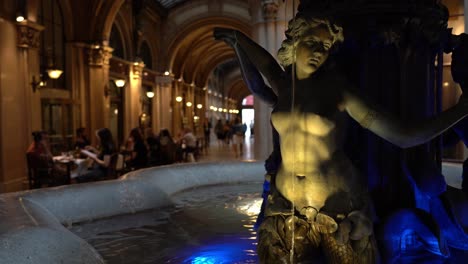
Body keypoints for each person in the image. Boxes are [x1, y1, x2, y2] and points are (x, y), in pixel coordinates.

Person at [214, 13, 468, 263]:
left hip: (339, 209)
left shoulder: (339, 91)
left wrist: (460, 111)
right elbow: (263, 74)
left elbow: (403, 135)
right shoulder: (286, 87)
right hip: (286, 206)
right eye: (312, 43)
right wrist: (238, 41)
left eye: (324, 47)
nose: (317, 52)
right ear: (295, 42)